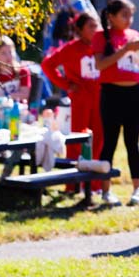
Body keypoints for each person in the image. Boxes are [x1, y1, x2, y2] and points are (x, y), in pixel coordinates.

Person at [92, 0, 139, 206]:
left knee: (132, 142)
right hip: (111, 93)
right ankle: (106, 191)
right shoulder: (101, 37)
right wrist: (126, 49)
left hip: (134, 92)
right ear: (111, 16)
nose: (129, 19)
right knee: (109, 141)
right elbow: (100, 65)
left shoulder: (134, 35)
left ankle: (138, 189)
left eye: (131, 15)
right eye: (124, 14)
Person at [41, 13, 104, 191]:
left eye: (97, 25)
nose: (95, 29)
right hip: (80, 100)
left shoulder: (102, 46)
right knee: (77, 141)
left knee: (99, 140)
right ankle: (73, 184)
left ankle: (96, 184)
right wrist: (66, 84)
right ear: (80, 29)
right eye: (91, 26)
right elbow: (47, 65)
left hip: (99, 99)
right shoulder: (71, 49)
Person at [0, 36, 32, 103]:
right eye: (3, 53)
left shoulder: (22, 72)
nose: (8, 56)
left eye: (10, 51)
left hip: (19, 111)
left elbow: (25, 94)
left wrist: (5, 97)